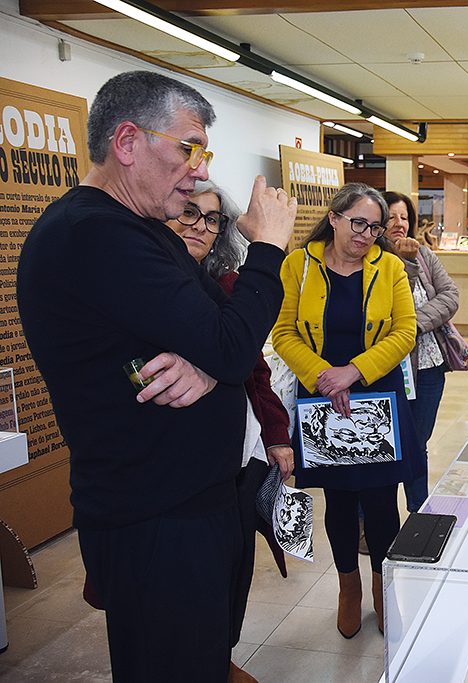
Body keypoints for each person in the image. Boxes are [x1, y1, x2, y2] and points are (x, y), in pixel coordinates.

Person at [16, 70, 296, 681]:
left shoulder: (140, 232)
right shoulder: (94, 234)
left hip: (196, 504)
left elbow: (219, 331)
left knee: (204, 660)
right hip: (156, 518)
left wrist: (205, 361)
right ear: (127, 142)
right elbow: (229, 341)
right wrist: (269, 248)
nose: (199, 168)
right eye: (188, 147)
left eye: (204, 153)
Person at [271, 182, 423, 638]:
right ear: (334, 218)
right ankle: (348, 588)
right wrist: (325, 376)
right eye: (358, 223)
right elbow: (283, 333)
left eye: (374, 227)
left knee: (381, 501)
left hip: (376, 394)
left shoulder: (391, 267)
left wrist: (353, 372)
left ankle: (381, 584)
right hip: (323, 399)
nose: (366, 234)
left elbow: (405, 332)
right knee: (338, 501)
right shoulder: (297, 266)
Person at [166, 180, 295, 662]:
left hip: (241, 457)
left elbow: (255, 370)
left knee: (236, 565)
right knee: (186, 585)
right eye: (187, 213)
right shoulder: (154, 285)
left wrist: (277, 436)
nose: (199, 227)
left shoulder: (229, 287)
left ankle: (223, 656)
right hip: (180, 468)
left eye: (212, 218)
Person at [384, 190, 459, 511]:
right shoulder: (372, 259)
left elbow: (450, 295)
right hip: (389, 367)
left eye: (404, 217)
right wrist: (405, 260)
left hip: (429, 365)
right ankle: (374, 518)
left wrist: (412, 326)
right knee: (385, 444)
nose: (399, 223)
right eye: (391, 217)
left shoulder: (425, 255)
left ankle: (418, 512)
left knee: (418, 442)